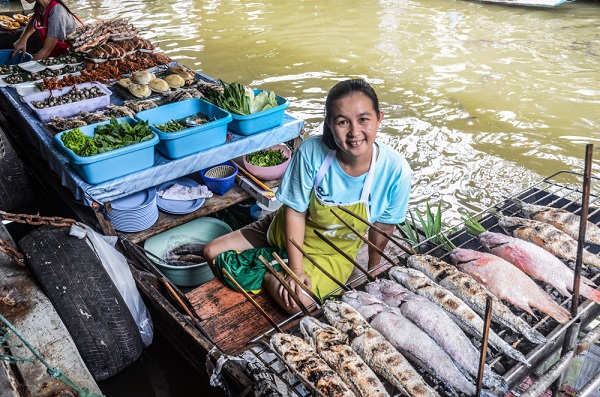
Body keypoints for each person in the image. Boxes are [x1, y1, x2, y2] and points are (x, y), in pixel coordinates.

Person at [205, 79, 412, 314]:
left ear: (379, 118)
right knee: (212, 252)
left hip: (331, 251)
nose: (355, 132)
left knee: (298, 302)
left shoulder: (396, 170)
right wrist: (295, 269)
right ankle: (274, 261)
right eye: (343, 122)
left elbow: (383, 228)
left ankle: (267, 268)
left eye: (364, 119)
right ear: (330, 125)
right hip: (282, 230)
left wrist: (374, 270)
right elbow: (295, 211)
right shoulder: (312, 152)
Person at [13, 0, 82, 60]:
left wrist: (25, 68)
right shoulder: (41, 6)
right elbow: (35, 19)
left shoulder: (57, 13)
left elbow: (47, 50)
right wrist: (23, 38)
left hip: (68, 55)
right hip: (53, 52)